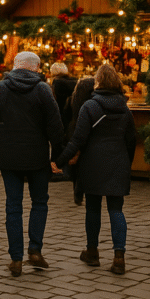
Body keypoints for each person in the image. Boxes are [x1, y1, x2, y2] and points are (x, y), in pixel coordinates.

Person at [0, 52, 64, 277]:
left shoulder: (0, 88)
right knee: (39, 202)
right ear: (36, 68)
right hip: (37, 155)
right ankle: (35, 249)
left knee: (13, 206)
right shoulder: (43, 90)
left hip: (9, 155)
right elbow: (55, 125)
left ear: (15, 66)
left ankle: (16, 258)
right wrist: (57, 155)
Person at [53, 64, 136, 275]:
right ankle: (119, 257)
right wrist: (127, 163)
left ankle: (92, 252)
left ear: (97, 82)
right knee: (116, 210)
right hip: (118, 161)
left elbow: (77, 140)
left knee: (92, 208)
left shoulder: (89, 106)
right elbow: (131, 140)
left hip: (93, 163)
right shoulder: (125, 108)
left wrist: (59, 161)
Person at [64, 76, 96, 206]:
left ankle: (77, 190)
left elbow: (65, 116)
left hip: (73, 130)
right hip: (89, 132)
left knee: (76, 162)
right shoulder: (93, 102)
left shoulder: (72, 100)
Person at [48, 63, 77, 182]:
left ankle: (56, 168)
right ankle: (68, 169)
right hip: (72, 117)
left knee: (57, 143)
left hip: (60, 116)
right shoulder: (75, 82)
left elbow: (54, 101)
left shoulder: (57, 83)